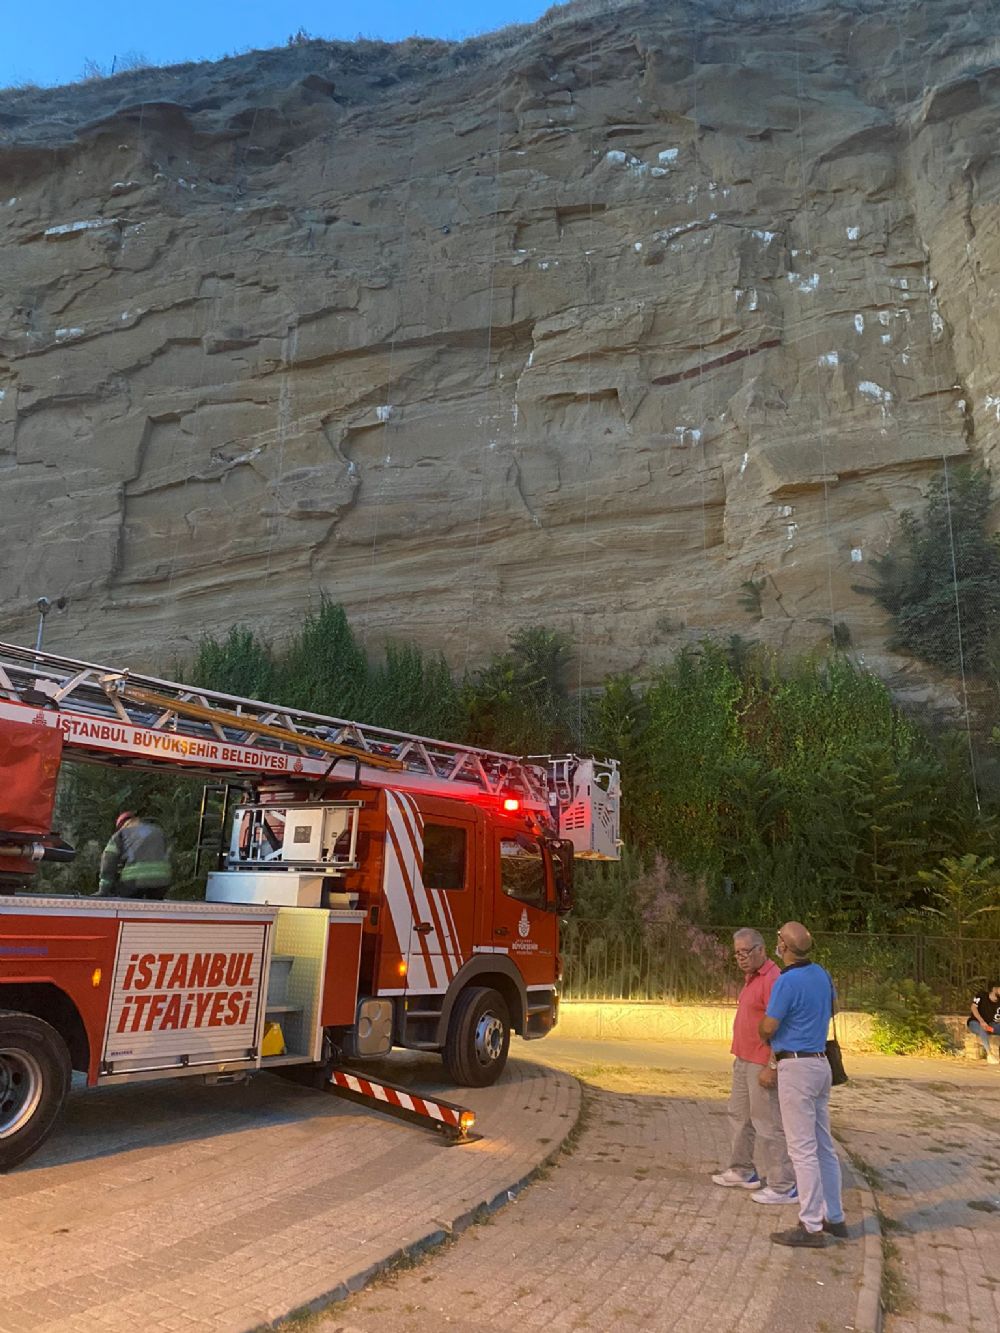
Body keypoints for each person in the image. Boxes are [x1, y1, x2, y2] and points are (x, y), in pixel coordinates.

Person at [758, 921, 846, 1249]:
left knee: (802, 1149)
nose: (776, 943)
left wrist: (764, 1031)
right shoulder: (822, 974)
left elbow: (769, 1025)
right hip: (821, 1062)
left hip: (796, 1066)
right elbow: (834, 1008)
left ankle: (810, 1225)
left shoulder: (787, 980)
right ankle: (834, 1217)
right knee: (823, 1145)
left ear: (784, 945)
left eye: (777, 938)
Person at [711, 928, 797, 1205]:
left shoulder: (773, 979)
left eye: (746, 952)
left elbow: (782, 1025)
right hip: (743, 1058)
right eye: (737, 953)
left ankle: (783, 1185)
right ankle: (742, 1170)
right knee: (739, 1116)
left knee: (767, 1124)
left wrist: (772, 1065)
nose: (741, 958)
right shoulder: (752, 978)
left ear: (761, 949)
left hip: (761, 1063)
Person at [97, 812, 172, 899]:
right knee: (154, 908)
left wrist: (103, 889)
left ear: (123, 825)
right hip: (162, 881)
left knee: (126, 903)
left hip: (134, 881)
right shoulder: (158, 831)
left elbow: (108, 860)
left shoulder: (121, 834)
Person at [968, 984, 1000, 1063]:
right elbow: (973, 1007)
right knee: (982, 1028)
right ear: (994, 988)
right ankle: (989, 1055)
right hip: (975, 1022)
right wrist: (982, 1021)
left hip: (991, 1025)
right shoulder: (981, 995)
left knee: (992, 1027)